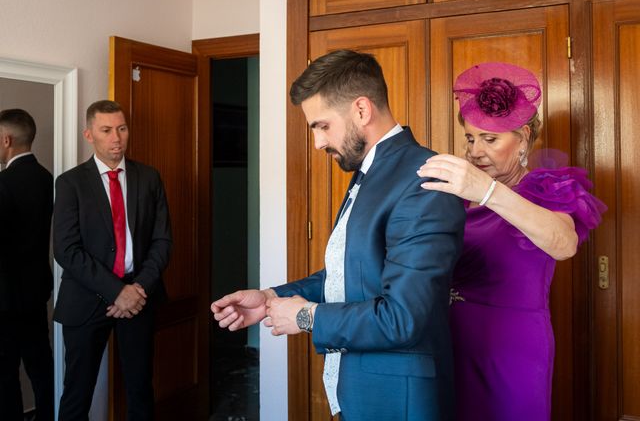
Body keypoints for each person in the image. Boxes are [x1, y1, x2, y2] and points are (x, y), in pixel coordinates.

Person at [212, 50, 466, 420]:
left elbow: (404, 318)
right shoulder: (371, 174)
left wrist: (306, 317)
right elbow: (349, 276)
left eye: (322, 125)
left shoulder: (423, 182)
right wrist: (270, 298)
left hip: (398, 399)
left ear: (361, 110)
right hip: (357, 390)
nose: (317, 143)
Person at [417, 62, 606, 421]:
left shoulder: (546, 189)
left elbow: (563, 244)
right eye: (470, 138)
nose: (474, 151)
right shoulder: (455, 197)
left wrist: (488, 191)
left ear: (523, 139)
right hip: (447, 339)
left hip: (510, 347)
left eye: (490, 139)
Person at [53, 100, 172, 420]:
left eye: (122, 128)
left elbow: (162, 241)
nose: (116, 137)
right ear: (89, 135)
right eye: (106, 130)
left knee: (140, 389)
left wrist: (136, 289)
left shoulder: (148, 178)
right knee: (77, 392)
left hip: (140, 296)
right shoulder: (70, 183)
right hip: (86, 299)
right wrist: (116, 291)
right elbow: (66, 249)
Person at [0, 109, 54, 421]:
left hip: (5, 298)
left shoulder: (4, 182)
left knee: (5, 374)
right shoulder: (48, 178)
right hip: (36, 292)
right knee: (40, 364)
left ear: (6, 140)